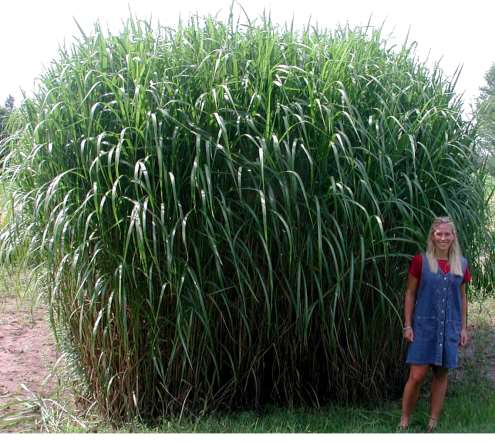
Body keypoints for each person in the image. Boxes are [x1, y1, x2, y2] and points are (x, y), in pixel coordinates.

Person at [399, 216, 471, 432]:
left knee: (441, 374)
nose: (443, 237)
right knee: (417, 375)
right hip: (423, 327)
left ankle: (433, 423)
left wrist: (463, 327)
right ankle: (404, 420)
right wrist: (407, 325)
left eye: (447, 233)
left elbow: (463, 297)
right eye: (439, 233)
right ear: (432, 235)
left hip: (449, 327)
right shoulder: (421, 261)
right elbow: (410, 293)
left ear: (453, 236)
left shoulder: (462, 263)